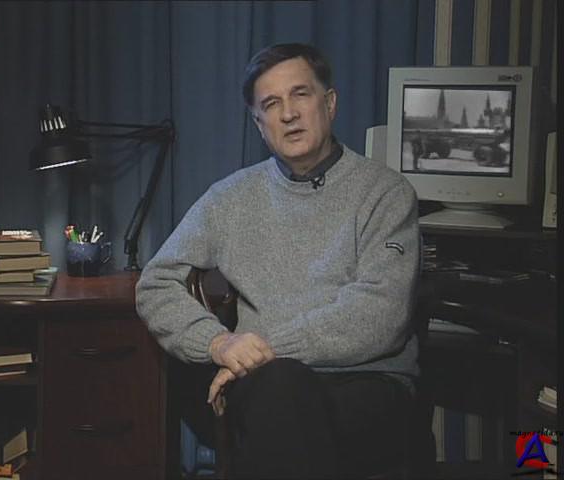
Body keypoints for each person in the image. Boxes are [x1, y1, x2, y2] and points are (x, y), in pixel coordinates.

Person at [136, 43, 420, 479]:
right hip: (267, 386)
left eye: (300, 94)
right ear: (258, 124)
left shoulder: (385, 193)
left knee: (281, 401)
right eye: (271, 104)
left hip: (365, 383)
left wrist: (260, 351)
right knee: (280, 393)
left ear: (329, 103)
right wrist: (219, 344)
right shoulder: (229, 199)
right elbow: (155, 283)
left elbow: (380, 316)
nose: (288, 114)